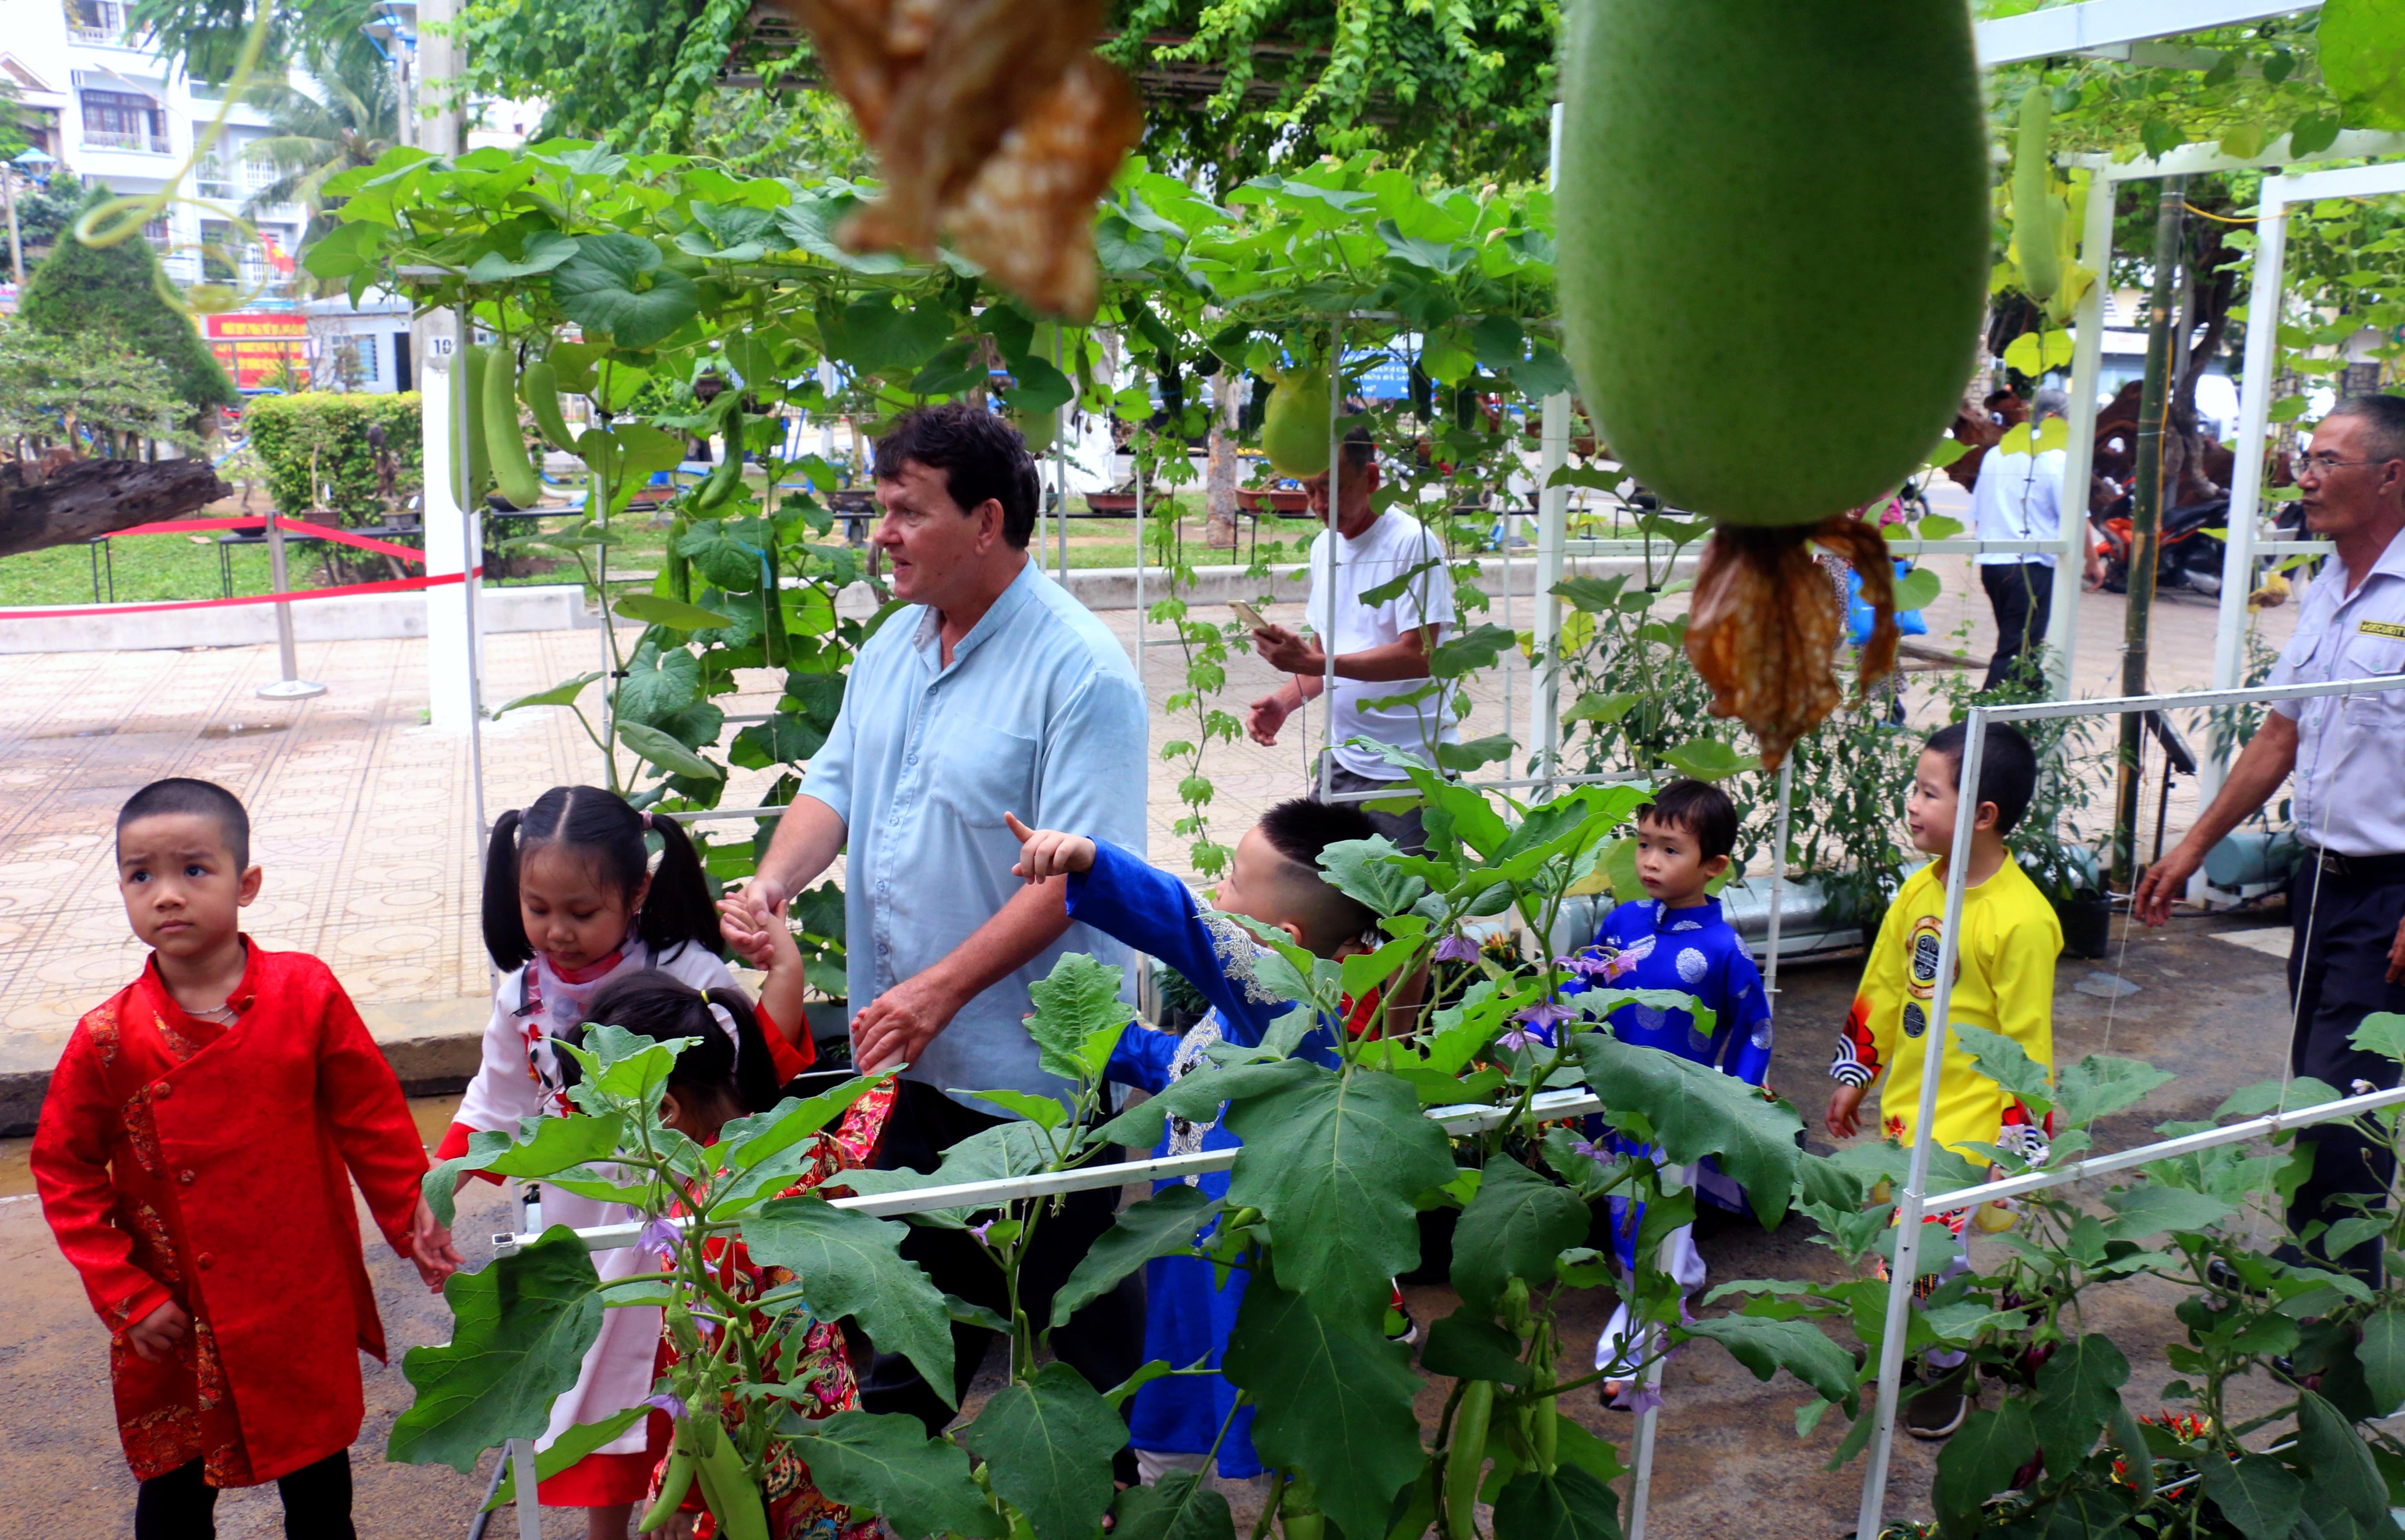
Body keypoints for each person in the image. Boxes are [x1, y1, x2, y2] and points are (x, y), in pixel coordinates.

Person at [730, 403, 1150, 1435]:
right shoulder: (895, 644)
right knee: (908, 1340)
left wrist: (933, 990)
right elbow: (835, 780)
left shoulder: (1079, 670)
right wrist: (775, 882)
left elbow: (1069, 882)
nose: (880, 534)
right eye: (880, 508)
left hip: (1041, 1089)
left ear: (986, 520)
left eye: (905, 512)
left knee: (1083, 1349)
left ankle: (1112, 1497)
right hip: (914, 1066)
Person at [32, 777, 454, 1540]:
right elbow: (62, 1167)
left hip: (297, 1294)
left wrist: (415, 1215)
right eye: (141, 874)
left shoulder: (306, 991)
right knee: (174, 1498)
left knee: (320, 1490)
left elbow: (371, 1118)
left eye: (194, 869)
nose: (166, 894)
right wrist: (126, 1290)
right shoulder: (107, 1036)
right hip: (173, 1310)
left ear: (246, 883)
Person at [439, 785, 813, 1538]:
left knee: (695, 1381)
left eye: (581, 912)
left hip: (684, 1216)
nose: (556, 931)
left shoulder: (689, 968)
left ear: (639, 890)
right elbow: (494, 1104)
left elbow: (746, 1076)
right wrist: (438, 1188)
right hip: (584, 1223)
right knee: (600, 1391)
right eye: (537, 907)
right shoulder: (523, 993)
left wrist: (784, 981)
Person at [1004, 798, 1382, 1486]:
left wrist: (1096, 863)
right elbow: (1190, 1069)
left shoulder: (1299, 1011)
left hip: (1244, 1287)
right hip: (1188, 1276)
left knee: (1276, 1451)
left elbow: (1192, 928)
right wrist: (1106, 1044)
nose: (1217, 890)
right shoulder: (1246, 1018)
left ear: (1280, 938)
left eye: (1234, 881)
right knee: (1178, 1439)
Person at [2134, 393, 2405, 1281]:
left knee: (2349, 1095)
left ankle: (2338, 1305)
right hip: (2321, 882)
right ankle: (2307, 1262)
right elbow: (2280, 736)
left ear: (2391, 477)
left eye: (2328, 460)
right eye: (2307, 456)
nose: (2307, 474)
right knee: (2313, 1077)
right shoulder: (2329, 584)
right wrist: (2191, 849)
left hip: (2394, 890)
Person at [569, 970, 888, 1540]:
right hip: (833, 1428)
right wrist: (880, 1082)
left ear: (662, 1113)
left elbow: (704, 1379)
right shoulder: (795, 1141)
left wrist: (679, 1489)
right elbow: (853, 1164)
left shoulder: (703, 1229)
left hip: (759, 1463)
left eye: (612, 1123)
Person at [1825, 722, 2060, 1440]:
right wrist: (1856, 1070)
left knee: (1928, 1247)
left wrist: (2015, 1140)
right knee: (1903, 1238)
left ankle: (1947, 1358)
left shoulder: (2023, 921)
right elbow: (1885, 984)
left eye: (1929, 792)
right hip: (1906, 1112)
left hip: (1968, 1122)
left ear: (1982, 814)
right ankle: (1912, 1335)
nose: (1912, 803)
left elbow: (2028, 1046)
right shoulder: (1919, 892)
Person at [1559, 780, 1773, 1406]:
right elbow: (1588, 982)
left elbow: (1755, 1028)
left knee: (1640, 1216)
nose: (1650, 861)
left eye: (1670, 850)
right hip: (1609, 1100)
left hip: (1675, 1115)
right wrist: (1551, 1016)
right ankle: (1682, 1269)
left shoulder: (1722, 950)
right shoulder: (1623, 922)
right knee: (1623, 1205)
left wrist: (1738, 1099)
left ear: (1714, 867)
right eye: (1644, 844)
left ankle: (1630, 1347)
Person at [1245, 428, 1456, 852]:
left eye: (1332, 489)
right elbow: (1323, 658)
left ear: (1372, 478)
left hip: (1410, 768)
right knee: (1327, 897)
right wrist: (1284, 702)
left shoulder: (1412, 543)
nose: (1320, 505)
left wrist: (1316, 664)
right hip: (1342, 757)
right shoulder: (1325, 546)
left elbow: (1423, 656)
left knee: (1409, 909)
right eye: (1309, 491)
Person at [1969, 387, 2071, 692]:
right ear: (2053, 418)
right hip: (2030, 568)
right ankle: (1980, 725)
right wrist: (2092, 563)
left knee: (2023, 650)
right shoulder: (2055, 457)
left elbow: (1978, 512)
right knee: (2015, 652)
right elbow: (2074, 517)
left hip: (1993, 566)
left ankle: (2031, 718)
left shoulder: (1996, 454)